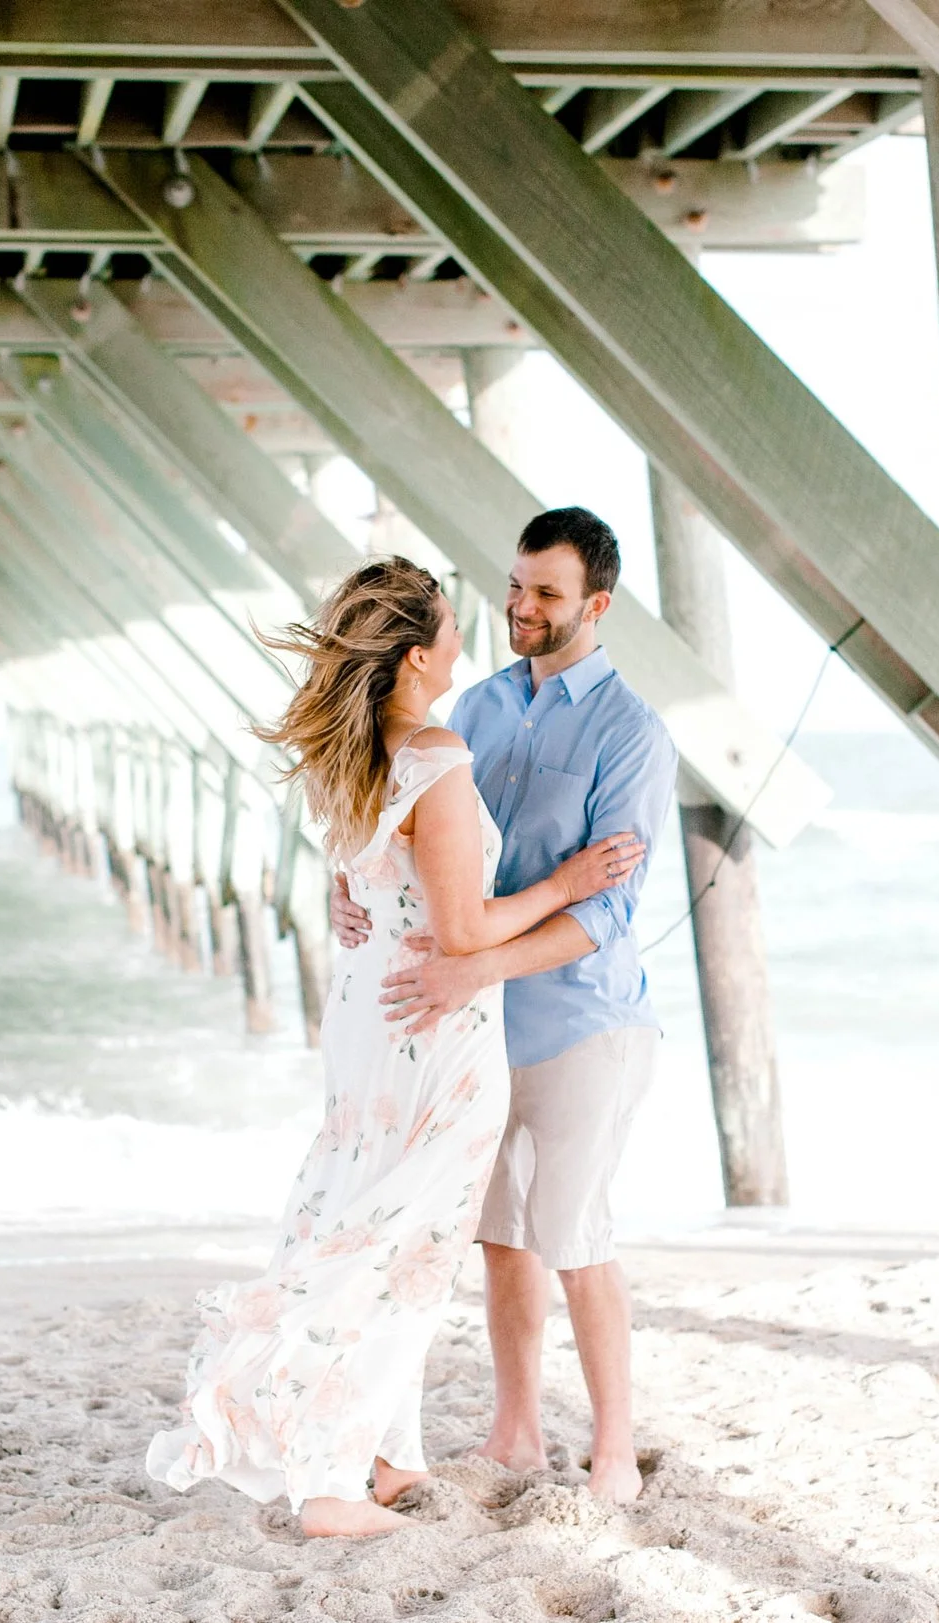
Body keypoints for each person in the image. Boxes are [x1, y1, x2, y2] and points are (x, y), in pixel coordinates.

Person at [144, 556, 644, 1538]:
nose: (472, 634)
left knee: (365, 1219)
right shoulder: (436, 757)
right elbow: (466, 930)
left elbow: (369, 891)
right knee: (402, 1251)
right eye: (453, 627)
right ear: (419, 657)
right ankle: (331, 1481)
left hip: (368, 1023)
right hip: (437, 1037)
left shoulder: (352, 754)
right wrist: (569, 881)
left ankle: (384, 1457)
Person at [330, 507, 676, 1505]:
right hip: (474, 1030)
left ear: (596, 606)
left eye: (546, 594)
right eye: (515, 585)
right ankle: (515, 1432)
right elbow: (396, 826)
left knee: (574, 1230)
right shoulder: (469, 710)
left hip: (581, 1024)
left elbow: (601, 918)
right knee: (499, 1234)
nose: (520, 607)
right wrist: (345, 885)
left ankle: (614, 1450)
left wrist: (475, 968)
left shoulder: (631, 734)